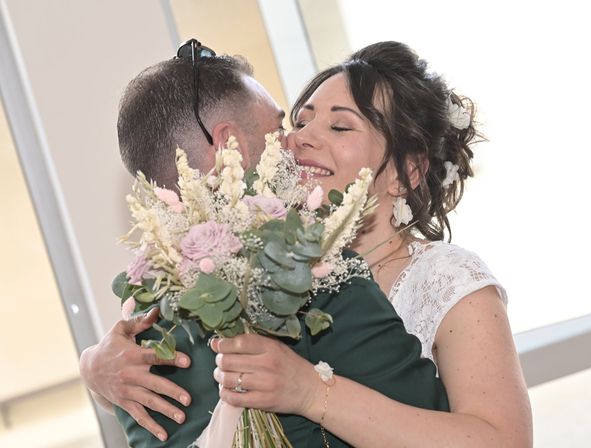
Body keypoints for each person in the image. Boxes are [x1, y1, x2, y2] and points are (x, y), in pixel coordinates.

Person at [79, 40, 449, 447]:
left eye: (339, 126)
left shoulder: (141, 323)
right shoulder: (310, 275)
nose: (294, 144)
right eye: (282, 129)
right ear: (228, 147)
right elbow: (434, 419)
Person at [211, 41, 533, 447]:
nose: (301, 138)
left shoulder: (448, 280)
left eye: (340, 126)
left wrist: (310, 392)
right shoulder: (263, 262)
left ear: (406, 171)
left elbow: (502, 441)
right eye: (301, 122)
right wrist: (104, 364)